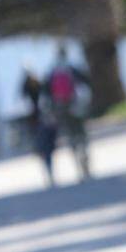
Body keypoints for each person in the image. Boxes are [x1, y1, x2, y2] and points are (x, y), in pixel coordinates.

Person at [45, 46, 91, 181]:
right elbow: (86, 84)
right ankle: (84, 161)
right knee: (81, 135)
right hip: (76, 106)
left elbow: (47, 95)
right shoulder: (72, 69)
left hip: (62, 109)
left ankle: (77, 162)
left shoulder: (53, 71)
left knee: (71, 137)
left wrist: (51, 112)